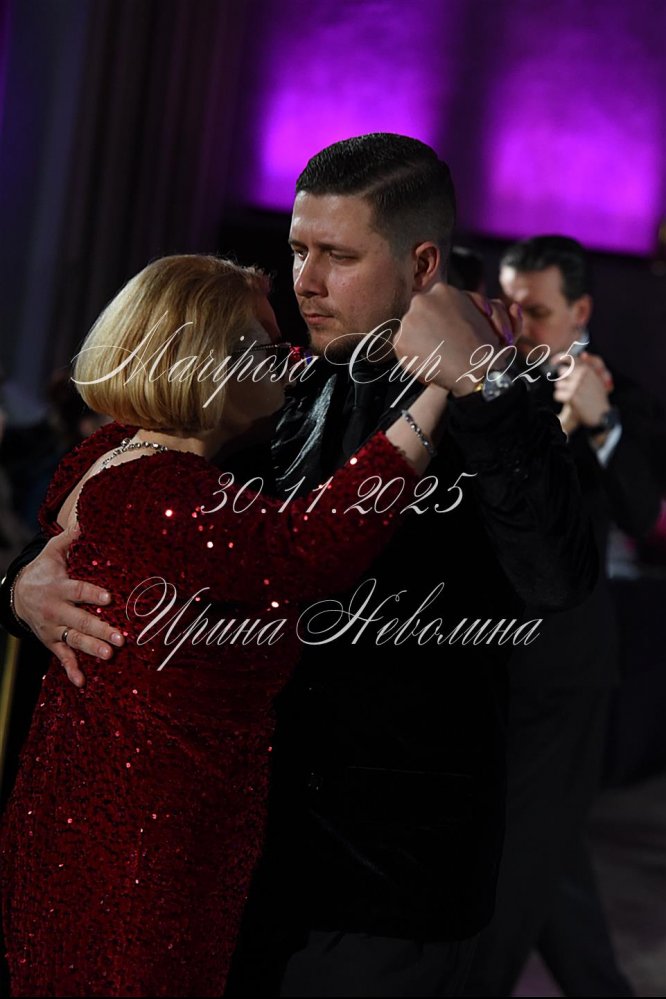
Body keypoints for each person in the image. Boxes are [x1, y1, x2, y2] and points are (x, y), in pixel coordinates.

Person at [1, 136, 597, 998]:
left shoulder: (501, 398)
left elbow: (557, 579)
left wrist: (485, 386)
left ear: (421, 265)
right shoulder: (269, 389)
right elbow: (129, 495)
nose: (305, 281)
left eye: (337, 256)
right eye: (297, 250)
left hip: (385, 880)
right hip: (231, 863)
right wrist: (21, 584)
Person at [461, 235, 660, 997]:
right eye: (508, 307)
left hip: (563, 671)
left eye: (537, 312)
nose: (518, 326)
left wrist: (601, 425)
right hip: (491, 657)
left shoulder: (621, 396)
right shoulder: (494, 386)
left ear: (581, 311)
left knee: (516, 861)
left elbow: (642, 513)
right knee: (547, 857)